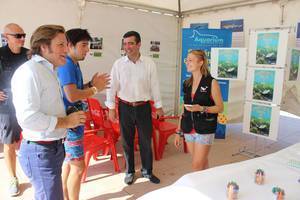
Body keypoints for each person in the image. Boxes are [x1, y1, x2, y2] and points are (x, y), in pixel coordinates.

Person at [11, 25, 86, 200]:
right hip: (40, 151)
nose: (66, 49)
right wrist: (67, 122)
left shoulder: (49, 70)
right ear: (44, 47)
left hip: (53, 147)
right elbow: (28, 118)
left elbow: (48, 106)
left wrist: (68, 114)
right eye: (61, 45)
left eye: (66, 45)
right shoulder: (29, 72)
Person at [57, 28, 110, 200]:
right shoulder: (66, 64)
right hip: (71, 123)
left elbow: (75, 89)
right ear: (70, 45)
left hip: (73, 122)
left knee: (68, 163)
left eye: (88, 45)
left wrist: (89, 84)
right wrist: (95, 89)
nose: (88, 49)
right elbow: (71, 95)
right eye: (84, 45)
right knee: (78, 167)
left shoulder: (73, 63)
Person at [106, 31, 163, 185]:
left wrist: (158, 106)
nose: (127, 47)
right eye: (125, 44)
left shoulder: (149, 63)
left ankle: (147, 171)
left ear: (139, 44)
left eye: (131, 43)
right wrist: (111, 108)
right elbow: (111, 87)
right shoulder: (118, 64)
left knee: (145, 140)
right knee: (127, 142)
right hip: (125, 107)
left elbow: (155, 85)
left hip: (143, 107)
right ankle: (130, 171)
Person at [174, 50, 223, 171]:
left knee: (196, 165)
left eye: (190, 60)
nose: (187, 63)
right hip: (188, 128)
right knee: (201, 162)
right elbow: (184, 109)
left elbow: (220, 107)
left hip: (205, 129)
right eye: (187, 60)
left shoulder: (212, 82)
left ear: (201, 62)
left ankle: (196, 189)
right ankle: (206, 184)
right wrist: (178, 131)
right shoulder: (186, 83)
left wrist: (202, 108)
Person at [0, 23, 28, 196]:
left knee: (30, 139)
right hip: (7, 105)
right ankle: (12, 178)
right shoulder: (0, 54)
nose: (22, 38)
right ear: (6, 37)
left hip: (27, 103)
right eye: (18, 35)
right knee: (9, 143)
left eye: (23, 34)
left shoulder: (29, 55)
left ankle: (31, 169)